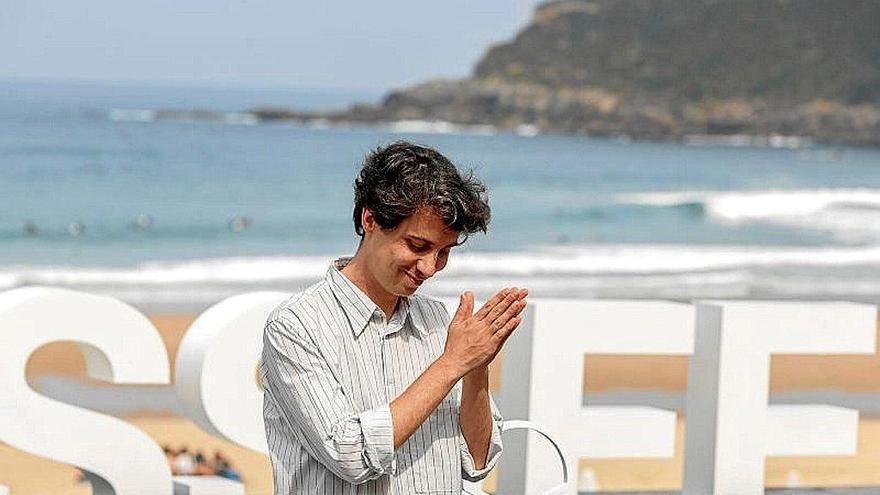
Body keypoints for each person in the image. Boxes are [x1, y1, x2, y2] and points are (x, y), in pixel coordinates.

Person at [260, 141, 528, 494]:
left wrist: (475, 367)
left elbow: (476, 461)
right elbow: (351, 455)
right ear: (369, 219)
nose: (430, 268)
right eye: (418, 246)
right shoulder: (295, 326)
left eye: (444, 252)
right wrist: (452, 364)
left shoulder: (437, 321)